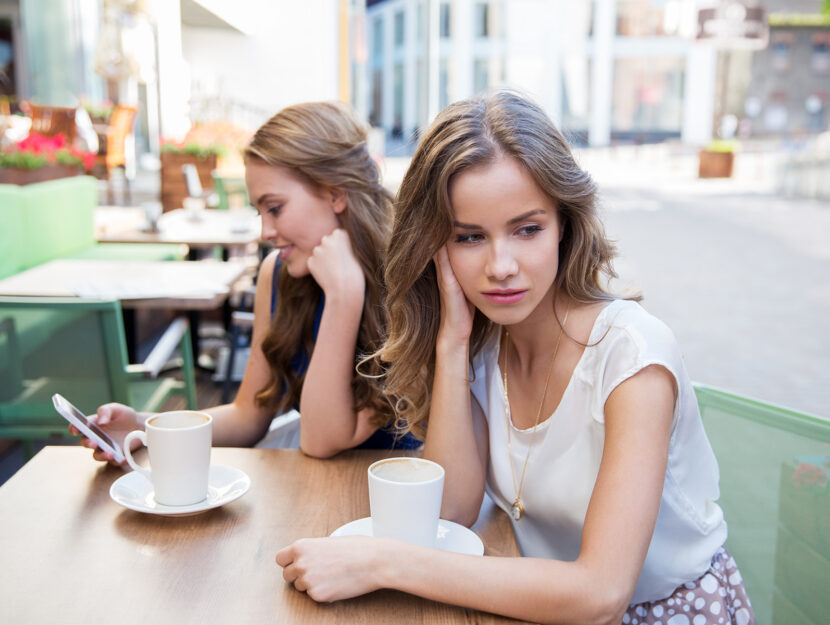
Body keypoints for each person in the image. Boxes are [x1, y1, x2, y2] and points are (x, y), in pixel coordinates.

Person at [275, 92, 754, 624]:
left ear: (565, 224)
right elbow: (451, 511)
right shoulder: (482, 345)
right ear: (437, 247)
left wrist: (384, 562)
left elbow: (600, 594)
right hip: (540, 604)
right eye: (470, 237)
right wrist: (452, 346)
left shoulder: (632, 358)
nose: (501, 266)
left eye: (527, 229)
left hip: (665, 613)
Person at [74, 101, 419, 459]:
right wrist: (144, 428)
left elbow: (320, 440)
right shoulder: (278, 274)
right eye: (259, 212)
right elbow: (248, 416)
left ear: (335, 193)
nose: (265, 231)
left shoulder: (407, 283)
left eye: (275, 208)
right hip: (316, 489)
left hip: (395, 492)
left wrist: (344, 296)